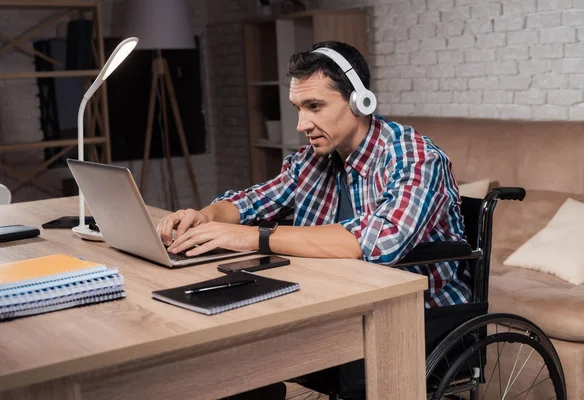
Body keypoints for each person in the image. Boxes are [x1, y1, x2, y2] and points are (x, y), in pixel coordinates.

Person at [157, 41, 471, 399]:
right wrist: (205, 216)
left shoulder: (415, 158)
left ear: (359, 101)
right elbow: (254, 201)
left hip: (416, 312)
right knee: (234, 356)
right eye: (298, 108)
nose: (302, 124)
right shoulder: (313, 158)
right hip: (337, 300)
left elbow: (379, 242)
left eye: (315, 106)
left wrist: (254, 237)